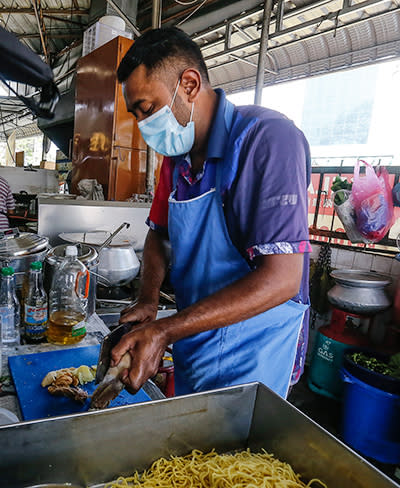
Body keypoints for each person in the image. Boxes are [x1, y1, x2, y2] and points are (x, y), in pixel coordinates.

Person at [110, 27, 311, 399]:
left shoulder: (266, 140)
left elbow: (283, 279)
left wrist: (166, 330)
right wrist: (149, 299)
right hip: (194, 335)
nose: (143, 126)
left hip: (256, 350)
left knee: (240, 457)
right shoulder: (175, 160)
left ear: (188, 84)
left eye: (148, 110)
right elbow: (159, 234)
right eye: (137, 115)